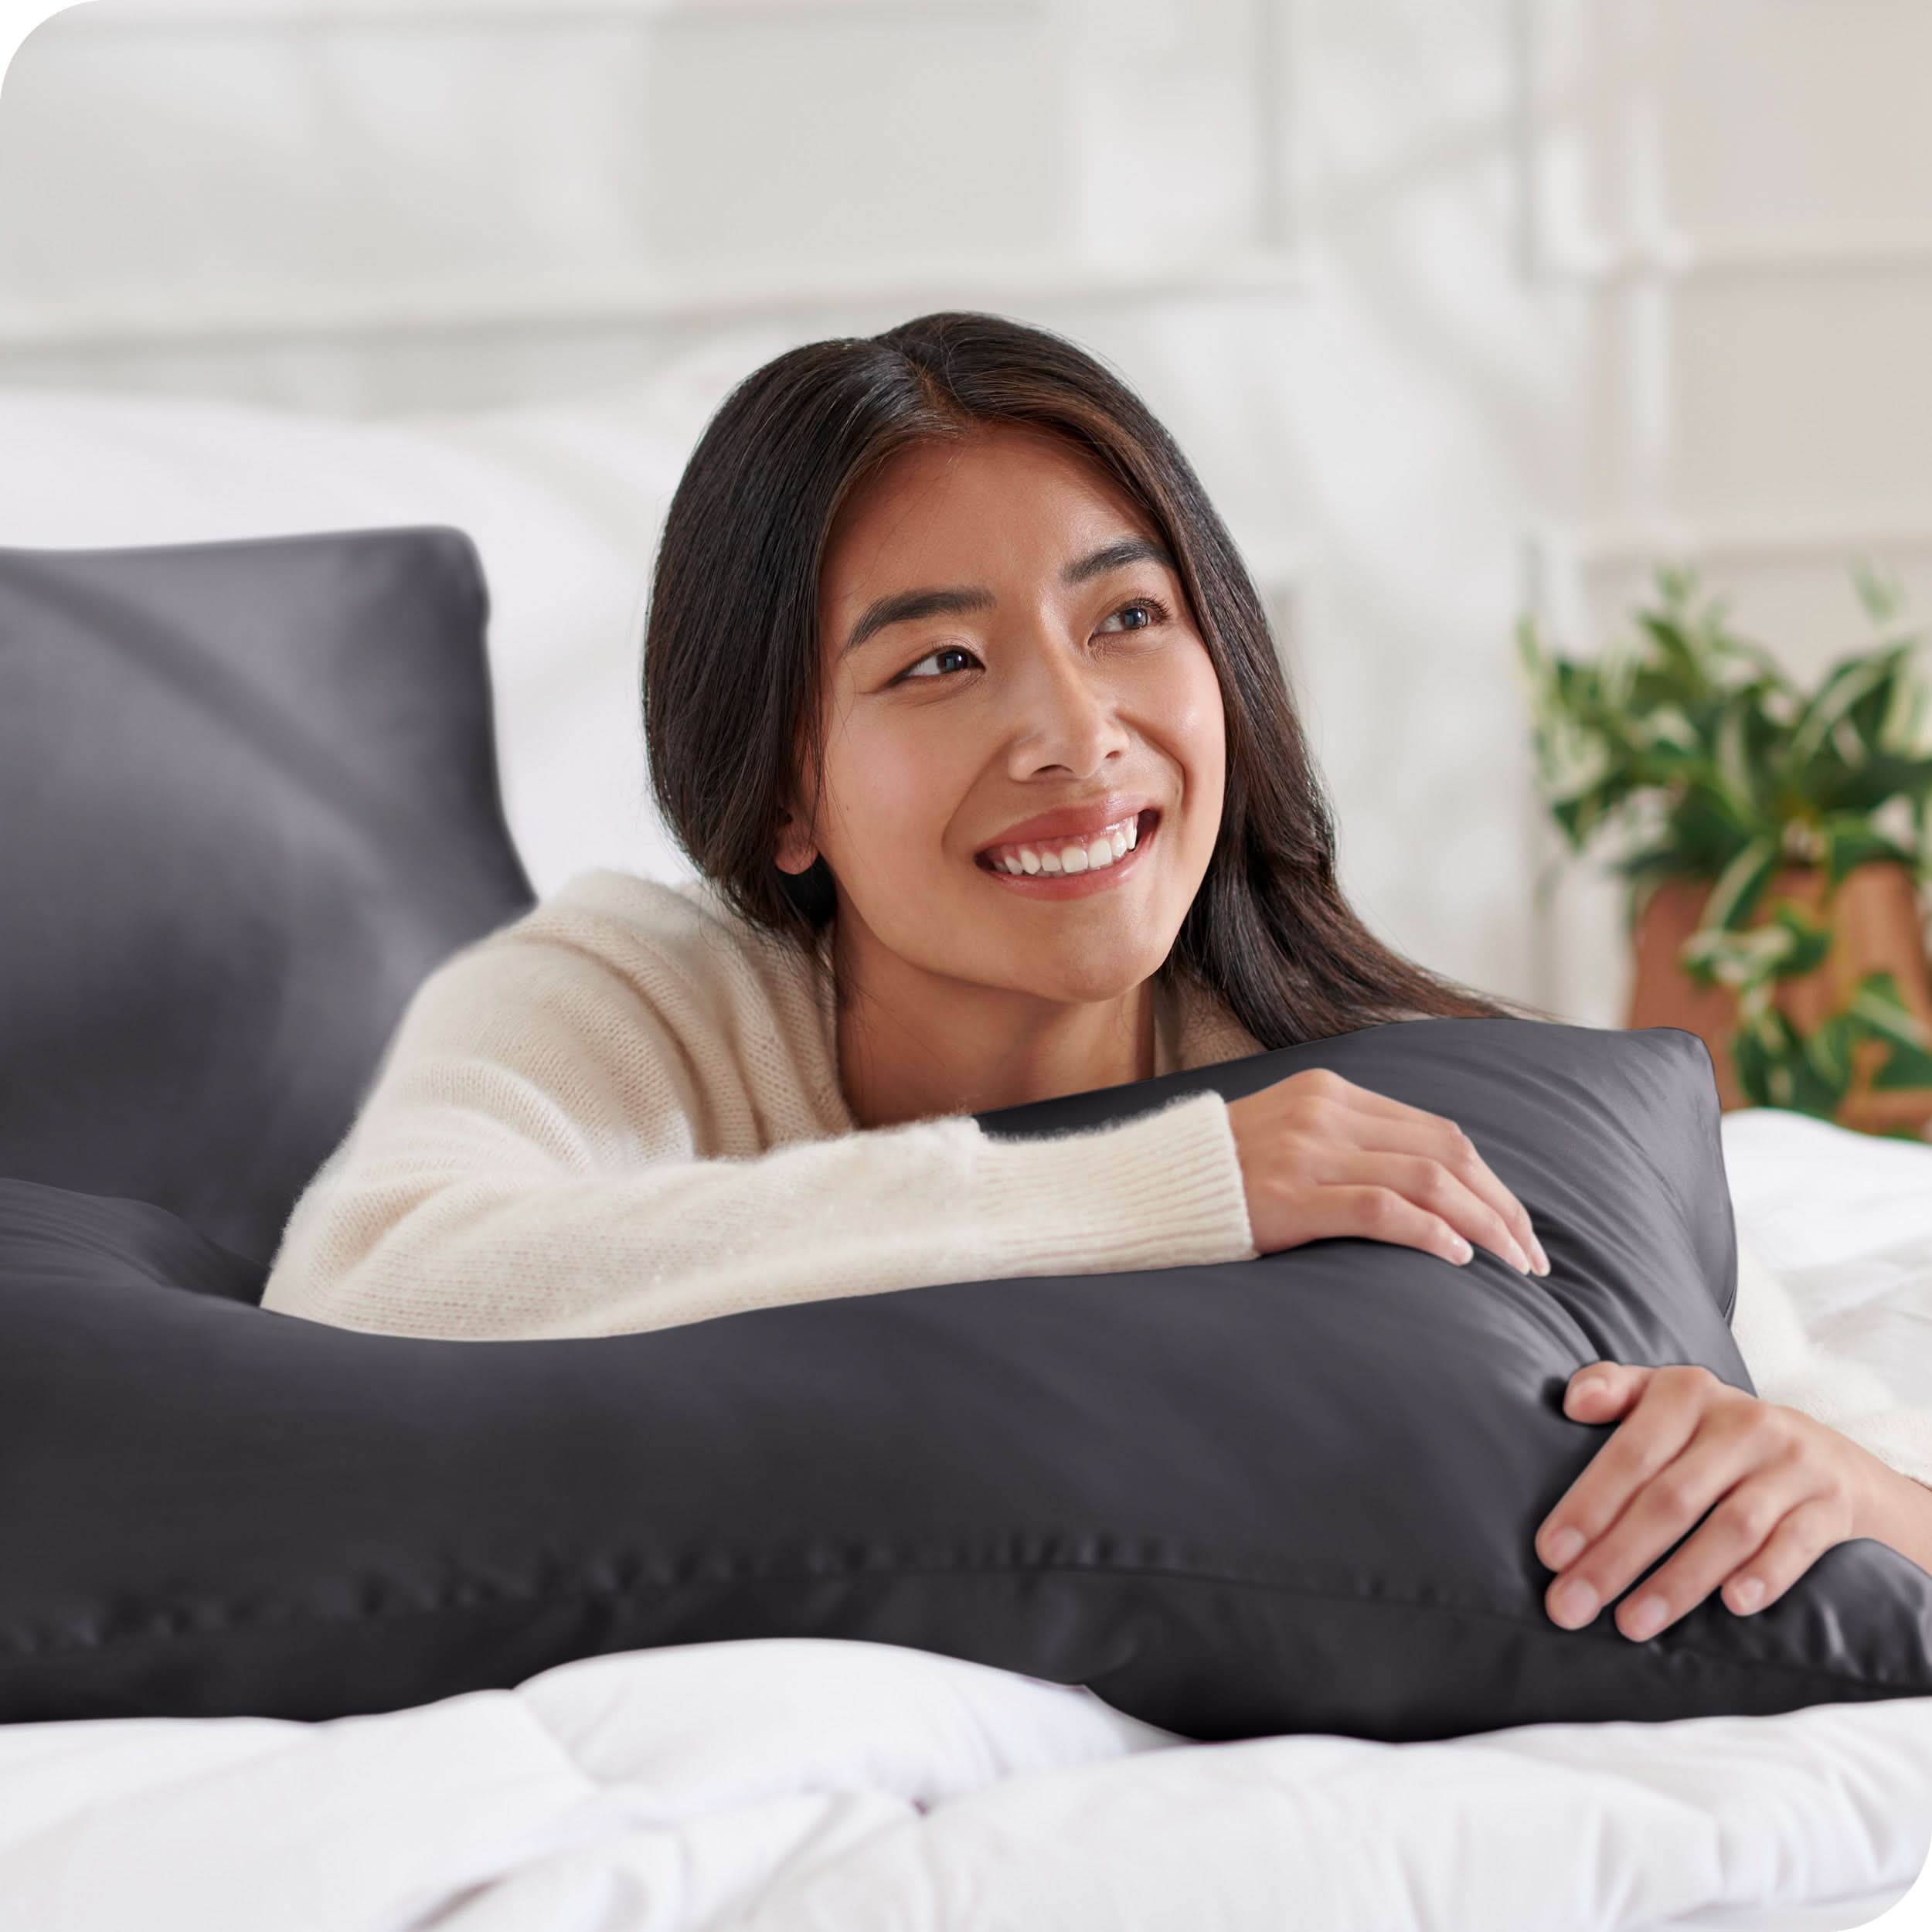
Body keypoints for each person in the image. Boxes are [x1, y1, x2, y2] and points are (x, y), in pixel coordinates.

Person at [260, 311, 1932, 1638]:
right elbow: (373, 1283)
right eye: (939, 661)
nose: (1073, 733)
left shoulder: (1396, 1085)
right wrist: (1162, 1191)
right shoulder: (639, 989)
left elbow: (1865, 1462)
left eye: (1126, 618)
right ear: (780, 791)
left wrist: (1827, 1480)